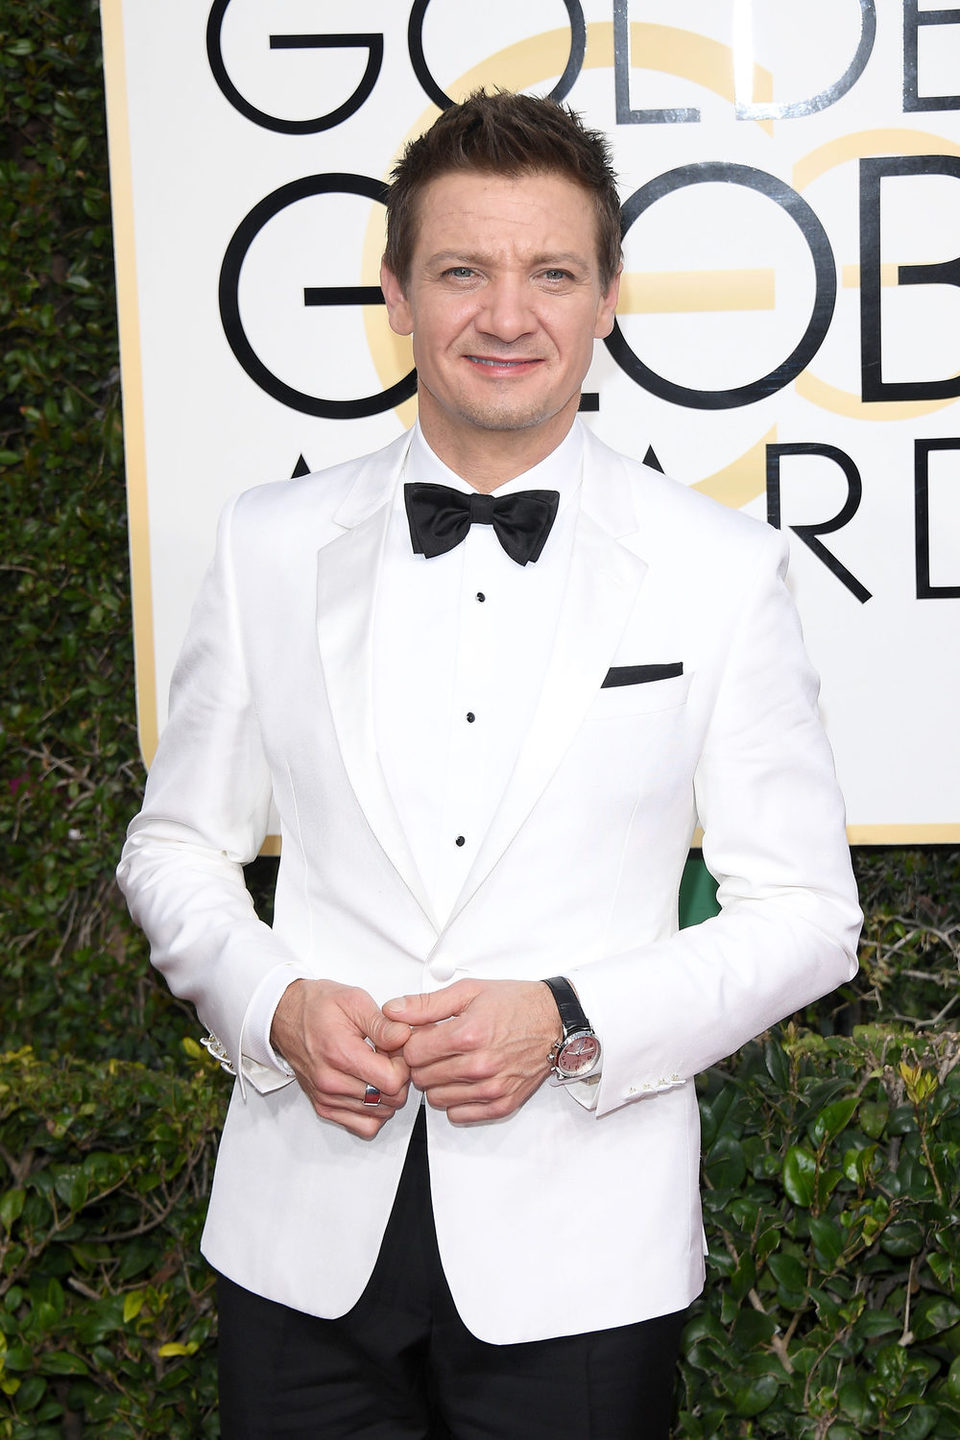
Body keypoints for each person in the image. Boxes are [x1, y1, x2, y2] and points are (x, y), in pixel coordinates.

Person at [117, 90, 861, 1439]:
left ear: (609, 297)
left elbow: (809, 917)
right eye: (463, 269)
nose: (506, 316)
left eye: (551, 273)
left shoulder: (720, 572)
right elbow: (176, 845)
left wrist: (569, 1014)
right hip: (300, 1243)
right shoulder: (266, 542)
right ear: (396, 292)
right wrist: (276, 1003)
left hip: (583, 1258)